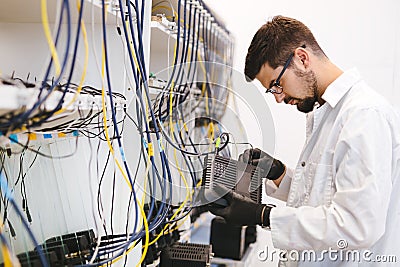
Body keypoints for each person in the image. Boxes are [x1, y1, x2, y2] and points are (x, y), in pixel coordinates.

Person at [208, 15, 400, 266]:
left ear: (302, 58)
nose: (278, 98)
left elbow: (357, 226)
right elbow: (324, 197)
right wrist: (278, 173)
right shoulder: (326, 112)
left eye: (277, 85)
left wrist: (264, 215)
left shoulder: (363, 116)